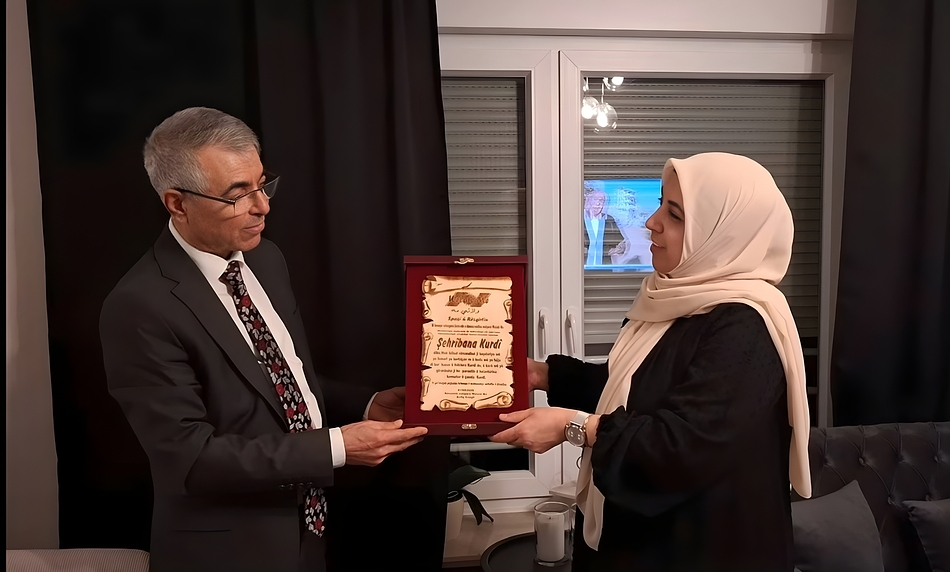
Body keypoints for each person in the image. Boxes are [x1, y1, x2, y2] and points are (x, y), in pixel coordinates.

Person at [100, 107, 428, 572]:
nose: (263, 207)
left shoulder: (266, 259)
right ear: (177, 203)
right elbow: (191, 459)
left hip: (307, 533)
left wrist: (368, 404)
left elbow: (279, 381)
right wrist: (336, 447)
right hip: (224, 554)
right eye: (239, 194)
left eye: (262, 184)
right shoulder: (139, 307)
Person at [492, 152, 812, 571]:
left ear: (722, 234)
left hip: (701, 552)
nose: (651, 221)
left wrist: (576, 427)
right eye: (661, 204)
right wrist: (543, 374)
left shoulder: (745, 327)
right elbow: (630, 388)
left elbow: (682, 448)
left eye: (675, 215)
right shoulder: (678, 300)